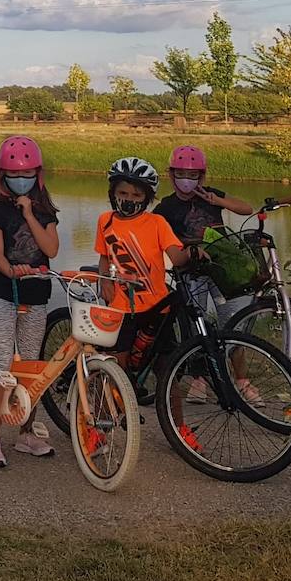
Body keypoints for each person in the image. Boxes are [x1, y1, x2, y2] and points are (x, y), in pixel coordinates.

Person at [94, 156, 203, 450]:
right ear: (113, 194)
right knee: (114, 368)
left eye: (136, 195)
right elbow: (105, 257)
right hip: (121, 308)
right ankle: (99, 428)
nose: (128, 200)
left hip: (157, 308)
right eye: (123, 194)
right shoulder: (105, 221)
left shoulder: (156, 223)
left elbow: (175, 254)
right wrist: (104, 281)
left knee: (167, 372)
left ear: (147, 198)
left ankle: (180, 429)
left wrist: (193, 253)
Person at [0, 136, 60, 469]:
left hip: (36, 294)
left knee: (30, 363)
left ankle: (26, 431)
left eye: (26, 173)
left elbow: (51, 249)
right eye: (13, 173)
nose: (20, 178)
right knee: (0, 358)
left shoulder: (45, 210)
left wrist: (30, 214)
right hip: (2, 291)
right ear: (3, 176)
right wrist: (11, 270)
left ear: (38, 175)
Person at [154, 145, 257, 401]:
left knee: (232, 324)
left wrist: (218, 201)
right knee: (195, 327)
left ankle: (243, 382)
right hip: (191, 272)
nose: (186, 181)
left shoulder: (211, 195)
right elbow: (160, 241)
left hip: (220, 270)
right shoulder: (165, 208)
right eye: (181, 174)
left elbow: (247, 209)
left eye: (193, 175)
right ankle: (199, 382)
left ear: (202, 176)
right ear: (171, 175)